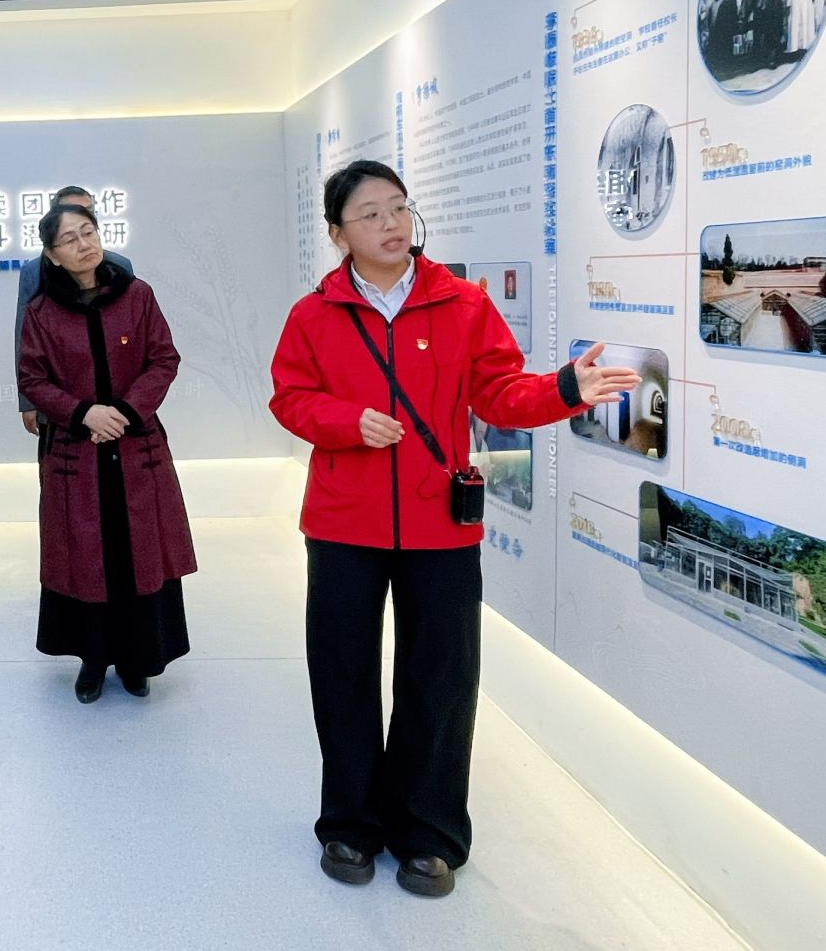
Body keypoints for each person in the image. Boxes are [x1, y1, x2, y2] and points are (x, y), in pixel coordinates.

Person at [267, 160, 638, 898]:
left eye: (398, 207)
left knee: (442, 674)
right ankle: (349, 824)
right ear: (338, 233)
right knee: (342, 670)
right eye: (370, 213)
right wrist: (346, 422)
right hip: (343, 522)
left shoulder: (463, 303)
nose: (390, 224)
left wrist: (566, 388)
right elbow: (290, 397)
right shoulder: (314, 315)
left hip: (439, 521)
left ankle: (428, 833)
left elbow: (500, 393)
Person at [19, 203, 196, 702]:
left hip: (136, 446)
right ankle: (93, 660)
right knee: (87, 557)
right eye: (69, 239)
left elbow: (164, 358)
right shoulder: (41, 312)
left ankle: (139, 660)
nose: (84, 244)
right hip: (78, 453)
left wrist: (123, 411)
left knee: (138, 551)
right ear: (52, 255)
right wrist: (83, 414)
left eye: (89, 231)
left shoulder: (137, 295)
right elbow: (32, 378)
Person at [15, 186, 132, 436]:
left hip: (118, 403)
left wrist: (130, 404)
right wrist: (28, 402)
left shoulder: (121, 267)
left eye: (87, 212)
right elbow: (24, 342)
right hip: (59, 402)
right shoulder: (33, 271)